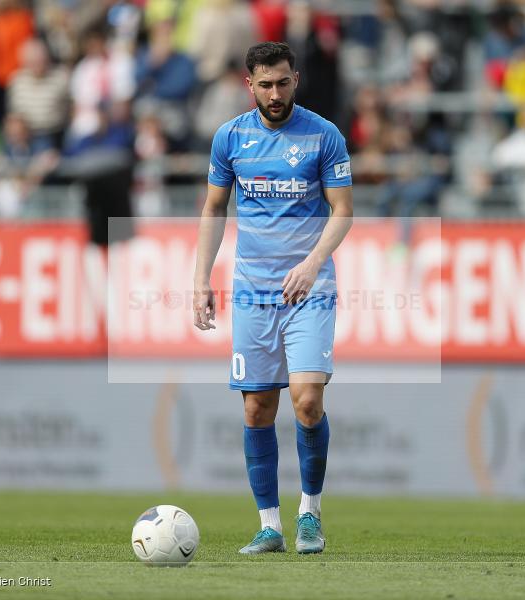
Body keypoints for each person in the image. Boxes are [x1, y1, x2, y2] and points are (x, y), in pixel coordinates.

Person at [192, 42, 353, 556]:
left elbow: (343, 210)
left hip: (311, 288)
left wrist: (310, 265)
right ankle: (269, 525)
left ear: (296, 79)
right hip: (252, 291)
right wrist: (201, 278)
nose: (275, 93)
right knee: (258, 408)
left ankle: (310, 514)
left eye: (283, 82)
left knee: (307, 401)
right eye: (266, 84)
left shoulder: (323, 135)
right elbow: (214, 209)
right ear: (250, 85)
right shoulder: (230, 138)